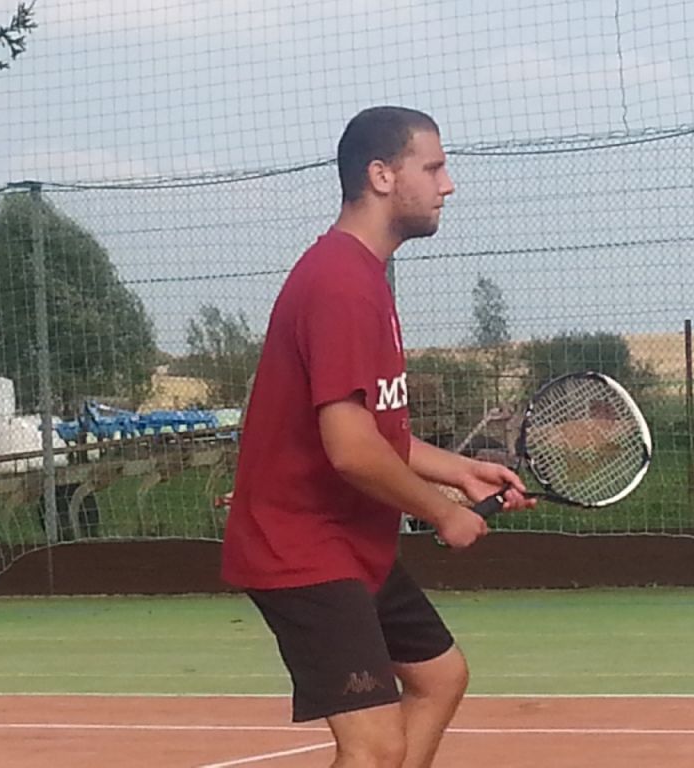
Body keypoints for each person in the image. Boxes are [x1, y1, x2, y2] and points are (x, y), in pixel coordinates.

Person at [221, 106, 531, 768]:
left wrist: (461, 472)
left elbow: (379, 432)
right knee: (373, 747)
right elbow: (351, 450)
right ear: (382, 175)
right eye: (434, 168)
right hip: (301, 547)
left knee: (440, 677)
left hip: (350, 541)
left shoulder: (362, 276)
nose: (448, 185)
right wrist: (444, 512)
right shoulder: (339, 283)